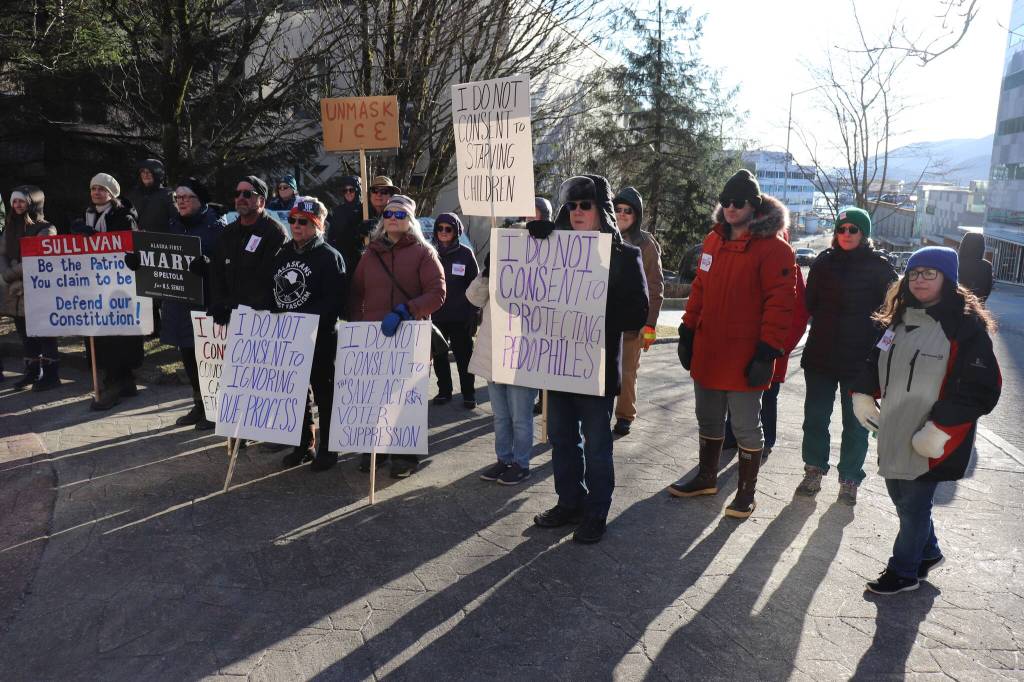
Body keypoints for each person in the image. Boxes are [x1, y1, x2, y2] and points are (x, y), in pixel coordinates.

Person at [850, 247, 1000, 594]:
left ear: (947, 279)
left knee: (914, 506)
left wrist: (941, 428)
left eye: (929, 273)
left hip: (935, 436)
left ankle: (904, 572)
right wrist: (862, 394)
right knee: (901, 499)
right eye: (915, 272)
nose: (919, 280)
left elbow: (981, 388)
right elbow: (875, 359)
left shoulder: (965, 328)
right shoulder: (899, 318)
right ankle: (928, 551)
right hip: (895, 426)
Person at [669, 169, 796, 520]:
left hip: (745, 354)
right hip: (709, 350)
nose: (730, 208)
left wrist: (768, 350)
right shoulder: (713, 241)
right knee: (708, 419)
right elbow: (700, 289)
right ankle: (707, 477)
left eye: (737, 202)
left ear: (754, 206)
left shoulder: (775, 250)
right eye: (725, 202)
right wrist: (687, 330)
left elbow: (781, 304)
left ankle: (746, 493)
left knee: (744, 425)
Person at [530, 175, 649, 544]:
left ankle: (597, 510)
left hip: (595, 367)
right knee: (562, 438)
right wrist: (527, 242)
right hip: (558, 364)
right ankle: (570, 502)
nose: (578, 212)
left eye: (586, 205)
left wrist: (594, 309)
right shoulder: (547, 249)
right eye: (572, 206)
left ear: (602, 211)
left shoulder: (624, 256)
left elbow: (637, 313)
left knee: (597, 444)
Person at [797, 208, 897, 505]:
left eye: (854, 229)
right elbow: (811, 303)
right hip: (821, 355)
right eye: (842, 229)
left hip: (860, 360)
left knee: (856, 423)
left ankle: (850, 478)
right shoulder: (823, 263)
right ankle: (814, 469)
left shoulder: (881, 268)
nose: (847, 234)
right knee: (815, 417)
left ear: (864, 233)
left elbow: (891, 313)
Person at [348, 194, 445, 478]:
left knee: (404, 398)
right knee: (375, 394)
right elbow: (356, 291)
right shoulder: (371, 253)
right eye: (389, 214)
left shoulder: (424, 253)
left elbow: (438, 294)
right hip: (374, 336)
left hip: (409, 335)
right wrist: (357, 325)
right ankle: (376, 448)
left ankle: (405, 456)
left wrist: (406, 310)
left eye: (400, 215)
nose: (393, 218)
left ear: (410, 221)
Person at [124, 178, 221, 429]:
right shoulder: (173, 224)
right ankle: (199, 404)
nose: (182, 202)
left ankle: (215, 408)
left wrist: (210, 266)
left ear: (200, 200)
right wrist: (140, 261)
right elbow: (163, 257)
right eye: (178, 198)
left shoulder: (216, 226)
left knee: (208, 358)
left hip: (207, 303)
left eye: (187, 197)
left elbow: (227, 264)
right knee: (188, 356)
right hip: (180, 304)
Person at [271, 197, 347, 471]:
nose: (296, 226)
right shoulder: (283, 254)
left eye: (303, 222)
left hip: (320, 338)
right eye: (292, 220)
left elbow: (335, 301)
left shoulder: (329, 256)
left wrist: (306, 321)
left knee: (324, 394)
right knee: (296, 393)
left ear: (317, 225)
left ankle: (329, 448)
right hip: (289, 337)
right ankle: (304, 444)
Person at [722, 227, 809, 461]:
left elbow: (799, 316)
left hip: (773, 351)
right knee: (736, 391)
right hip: (743, 347)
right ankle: (731, 435)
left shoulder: (792, 270)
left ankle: (766, 441)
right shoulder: (748, 264)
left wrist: (780, 346)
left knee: (768, 398)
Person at [467, 236, 538, 486]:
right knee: (501, 416)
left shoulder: (537, 273)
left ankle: (521, 463)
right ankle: (503, 459)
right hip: (494, 356)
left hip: (522, 358)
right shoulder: (495, 273)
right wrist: (486, 271)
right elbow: (473, 298)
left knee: (520, 416)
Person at [72, 173, 143, 410]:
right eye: (93, 189)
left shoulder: (124, 216)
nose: (96, 193)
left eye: (101, 189)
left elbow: (130, 246)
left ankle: (117, 381)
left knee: (117, 334)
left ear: (112, 193)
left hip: (119, 285)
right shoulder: (86, 215)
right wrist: (77, 234)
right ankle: (119, 380)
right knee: (101, 333)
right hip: (93, 284)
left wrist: (100, 238)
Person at [611, 187, 664, 436]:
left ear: (636, 214)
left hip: (632, 321)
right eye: (618, 209)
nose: (622, 214)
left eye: (628, 211)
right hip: (602, 318)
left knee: (627, 371)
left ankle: (624, 415)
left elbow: (655, 286)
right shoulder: (602, 235)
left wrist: (650, 325)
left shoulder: (646, 244)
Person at [207, 176, 289, 326]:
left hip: (260, 319)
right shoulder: (227, 233)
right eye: (237, 194)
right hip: (229, 316)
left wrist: (238, 306)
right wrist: (220, 303)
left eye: (247, 194)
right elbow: (217, 272)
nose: (240, 198)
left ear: (262, 201)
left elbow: (269, 278)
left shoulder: (275, 234)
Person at [0, 185, 60, 391]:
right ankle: (32, 372)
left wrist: (11, 273)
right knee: (25, 334)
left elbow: (39, 259)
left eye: (21, 201)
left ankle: (51, 375)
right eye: (14, 201)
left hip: (36, 289)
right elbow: (2, 253)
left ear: (32, 203)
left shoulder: (46, 228)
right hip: (15, 292)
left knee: (44, 333)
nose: (17, 205)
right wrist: (7, 274)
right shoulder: (10, 226)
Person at [430, 212, 479, 409]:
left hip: (460, 316)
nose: (443, 232)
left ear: (456, 231)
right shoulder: (429, 251)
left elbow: (476, 285)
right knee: (440, 357)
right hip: (436, 316)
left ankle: (469, 394)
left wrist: (473, 313)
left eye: (448, 229)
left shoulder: (466, 254)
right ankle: (444, 391)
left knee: (464, 358)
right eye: (440, 228)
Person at [325, 175, 368, 275]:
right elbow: (332, 236)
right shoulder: (338, 211)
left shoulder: (365, 210)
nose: (348, 193)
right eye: (345, 190)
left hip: (360, 258)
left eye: (351, 190)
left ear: (358, 190)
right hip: (342, 259)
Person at [125, 159, 174, 234]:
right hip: (136, 241)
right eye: (143, 171)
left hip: (160, 242)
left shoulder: (168, 195)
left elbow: (176, 222)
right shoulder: (133, 195)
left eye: (149, 172)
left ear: (157, 174)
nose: (145, 174)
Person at [957, 232, 994, 303]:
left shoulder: (955, 261)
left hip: (954, 307)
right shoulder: (987, 266)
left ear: (963, 244)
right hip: (976, 307)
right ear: (981, 246)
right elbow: (987, 290)